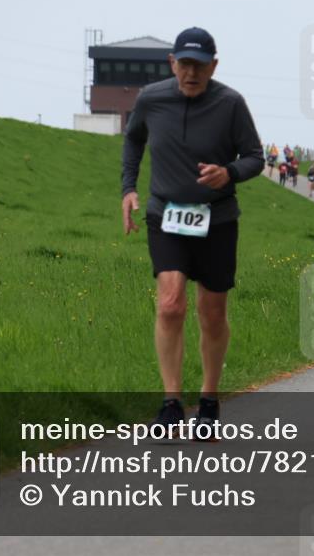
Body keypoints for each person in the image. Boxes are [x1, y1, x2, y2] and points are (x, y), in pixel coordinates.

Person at [121, 27, 263, 432]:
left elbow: (254, 156)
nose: (191, 73)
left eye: (200, 66)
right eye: (184, 64)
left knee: (212, 313)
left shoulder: (231, 103)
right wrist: (129, 189)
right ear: (172, 63)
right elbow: (133, 141)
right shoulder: (151, 99)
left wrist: (228, 173)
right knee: (170, 304)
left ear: (213, 66)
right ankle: (170, 403)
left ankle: (209, 400)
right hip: (165, 215)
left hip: (216, 219)